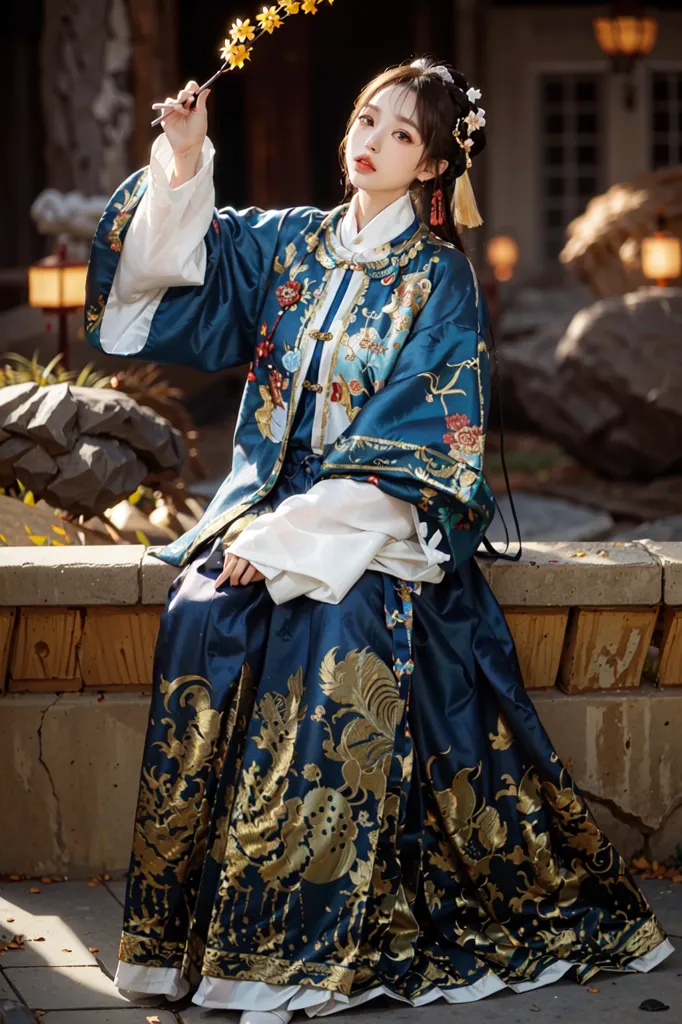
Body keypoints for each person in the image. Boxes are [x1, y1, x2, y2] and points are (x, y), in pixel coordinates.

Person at [85, 58, 672, 1023]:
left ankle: (303, 939)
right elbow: (174, 266)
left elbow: (423, 439)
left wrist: (293, 538)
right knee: (200, 609)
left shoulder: (438, 278)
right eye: (367, 117)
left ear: (435, 166)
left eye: (402, 133)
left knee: (332, 628)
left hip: (378, 524)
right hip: (266, 507)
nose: (372, 140)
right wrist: (184, 159)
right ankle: (189, 936)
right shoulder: (292, 244)